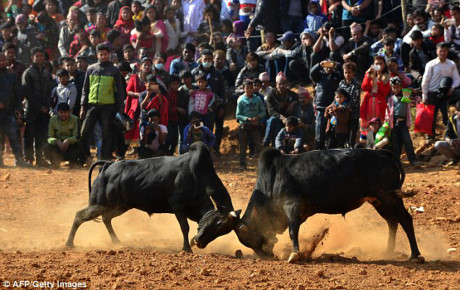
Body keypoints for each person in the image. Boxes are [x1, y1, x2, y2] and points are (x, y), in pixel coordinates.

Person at [80, 43, 125, 161]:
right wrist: (82, 107)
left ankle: (103, 159)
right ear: (97, 55)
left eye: (105, 54)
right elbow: (85, 89)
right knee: (84, 132)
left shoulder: (114, 70)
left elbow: (119, 91)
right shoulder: (91, 69)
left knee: (106, 133)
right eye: (101, 54)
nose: (103, 56)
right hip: (92, 105)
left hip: (108, 106)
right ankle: (86, 156)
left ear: (109, 55)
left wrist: (120, 107)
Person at [22, 47, 54, 167]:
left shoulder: (46, 73)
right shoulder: (28, 73)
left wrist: (46, 106)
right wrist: (39, 106)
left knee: (41, 135)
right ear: (32, 58)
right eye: (37, 56)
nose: (40, 58)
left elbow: (49, 92)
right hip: (32, 109)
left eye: (41, 56)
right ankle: (28, 159)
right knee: (29, 134)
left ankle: (40, 159)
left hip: (44, 110)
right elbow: (27, 93)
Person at [422, 42, 460, 140]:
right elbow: (425, 81)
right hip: (432, 93)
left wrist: (452, 88)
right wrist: (424, 96)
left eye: (444, 51)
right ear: (436, 51)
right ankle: (430, 137)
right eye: (440, 51)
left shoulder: (451, 64)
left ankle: (450, 136)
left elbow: (457, 79)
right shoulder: (431, 64)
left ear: (447, 51)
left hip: (445, 94)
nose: (442, 53)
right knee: (432, 117)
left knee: (445, 116)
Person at [0, 52, 28, 167]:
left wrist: (18, 109)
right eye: (0, 60)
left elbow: (17, 94)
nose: (2, 62)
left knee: (14, 136)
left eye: (3, 60)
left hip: (8, 112)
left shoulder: (12, 75)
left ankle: (19, 160)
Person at [386, 76, 419, 167]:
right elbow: (388, 111)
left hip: (403, 123)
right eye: (394, 87)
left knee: (407, 140)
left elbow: (415, 101)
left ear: (401, 86)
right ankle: (396, 161)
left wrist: (414, 93)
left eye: (398, 87)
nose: (396, 89)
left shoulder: (406, 96)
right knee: (396, 143)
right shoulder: (391, 99)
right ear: (391, 88)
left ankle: (412, 159)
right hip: (394, 123)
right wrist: (388, 122)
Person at [310, 60, 342, 149]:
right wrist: (319, 65)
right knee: (319, 133)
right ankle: (319, 150)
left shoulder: (336, 76)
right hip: (321, 107)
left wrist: (337, 64)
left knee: (332, 131)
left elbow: (344, 74)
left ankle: (331, 149)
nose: (328, 68)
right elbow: (312, 73)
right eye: (326, 66)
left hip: (333, 109)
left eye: (330, 66)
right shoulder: (319, 76)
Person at [236, 79, 266, 170]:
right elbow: (237, 115)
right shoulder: (241, 99)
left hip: (254, 125)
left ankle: (264, 165)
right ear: (244, 89)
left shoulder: (257, 99)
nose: (249, 90)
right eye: (247, 88)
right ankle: (242, 164)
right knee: (243, 146)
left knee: (259, 145)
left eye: (251, 88)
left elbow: (263, 111)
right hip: (244, 125)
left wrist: (258, 117)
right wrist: (247, 118)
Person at [43, 102, 84, 168]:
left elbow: (77, 136)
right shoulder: (52, 120)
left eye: (65, 112)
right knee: (46, 146)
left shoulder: (75, 119)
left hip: (70, 146)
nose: (63, 114)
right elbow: (49, 137)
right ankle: (54, 162)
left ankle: (74, 162)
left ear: (69, 112)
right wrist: (56, 141)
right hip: (58, 146)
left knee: (80, 145)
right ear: (58, 112)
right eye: (61, 112)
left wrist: (68, 141)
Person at [263, 72, 298, 147]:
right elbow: (271, 111)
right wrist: (281, 117)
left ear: (287, 84)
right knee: (272, 120)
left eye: (284, 83)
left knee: (277, 125)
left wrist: (293, 103)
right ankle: (266, 143)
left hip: (288, 119)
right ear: (276, 84)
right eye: (279, 84)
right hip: (277, 117)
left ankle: (276, 147)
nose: (282, 86)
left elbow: (300, 99)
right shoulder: (271, 95)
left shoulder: (291, 94)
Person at [360, 55, 390, 129]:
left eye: (381, 64)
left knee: (378, 122)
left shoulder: (386, 76)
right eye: (376, 64)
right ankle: (366, 138)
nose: (378, 66)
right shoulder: (369, 74)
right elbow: (364, 87)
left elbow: (385, 92)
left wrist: (378, 80)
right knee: (367, 121)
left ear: (384, 65)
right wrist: (368, 75)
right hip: (368, 101)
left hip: (379, 102)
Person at [338, 62, 361, 148]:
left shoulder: (356, 85)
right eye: (345, 72)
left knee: (352, 137)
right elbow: (338, 96)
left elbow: (354, 101)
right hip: (343, 115)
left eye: (349, 72)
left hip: (353, 114)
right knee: (343, 136)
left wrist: (343, 107)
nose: (347, 74)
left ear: (353, 73)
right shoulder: (341, 83)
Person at [434, 101, 460, 165]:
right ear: (456, 112)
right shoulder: (452, 119)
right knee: (438, 144)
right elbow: (447, 134)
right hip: (457, 147)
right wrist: (450, 141)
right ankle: (456, 158)